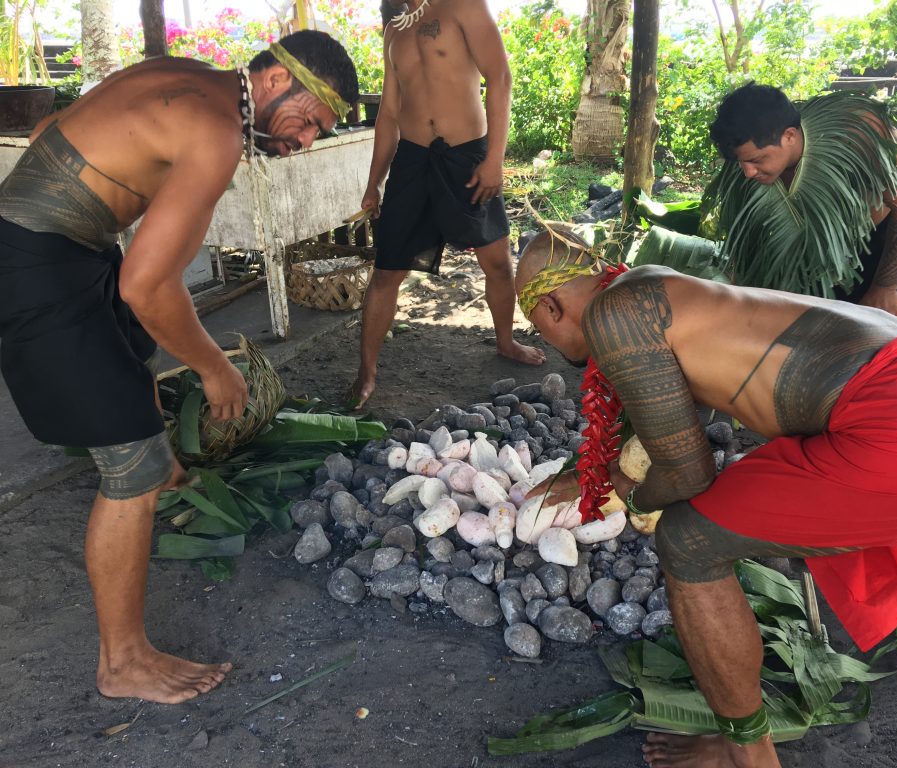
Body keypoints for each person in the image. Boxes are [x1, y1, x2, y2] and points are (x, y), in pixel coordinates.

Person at [515, 229, 897, 768]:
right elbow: (686, 411)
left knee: (687, 542)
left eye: (538, 329)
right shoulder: (659, 288)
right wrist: (600, 474)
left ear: (550, 308)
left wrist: (634, 501)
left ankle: (746, 753)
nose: (547, 340)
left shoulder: (611, 319)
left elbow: (687, 474)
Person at [0, 30, 358, 704]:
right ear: (277, 81)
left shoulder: (186, 75)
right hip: (33, 259)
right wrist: (216, 370)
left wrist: (106, 199)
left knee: (129, 352)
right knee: (130, 465)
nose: (305, 141)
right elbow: (147, 287)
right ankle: (123, 662)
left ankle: (152, 466)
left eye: (317, 132)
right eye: (308, 121)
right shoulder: (218, 132)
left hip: (58, 242)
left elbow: (57, 124)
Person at [351, 0, 545, 409]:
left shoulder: (464, 5)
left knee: (495, 262)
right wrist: (374, 182)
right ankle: (366, 372)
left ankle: (505, 341)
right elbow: (388, 113)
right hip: (413, 160)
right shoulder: (395, 30)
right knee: (387, 271)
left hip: (467, 157)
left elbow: (500, 77)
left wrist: (495, 158)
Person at [707, 83, 897, 319]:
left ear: (789, 136)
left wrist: (885, 288)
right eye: (740, 162)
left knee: (880, 326)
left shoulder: (859, 129)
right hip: (823, 244)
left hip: (896, 227)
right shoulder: (747, 156)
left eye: (757, 160)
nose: (748, 173)